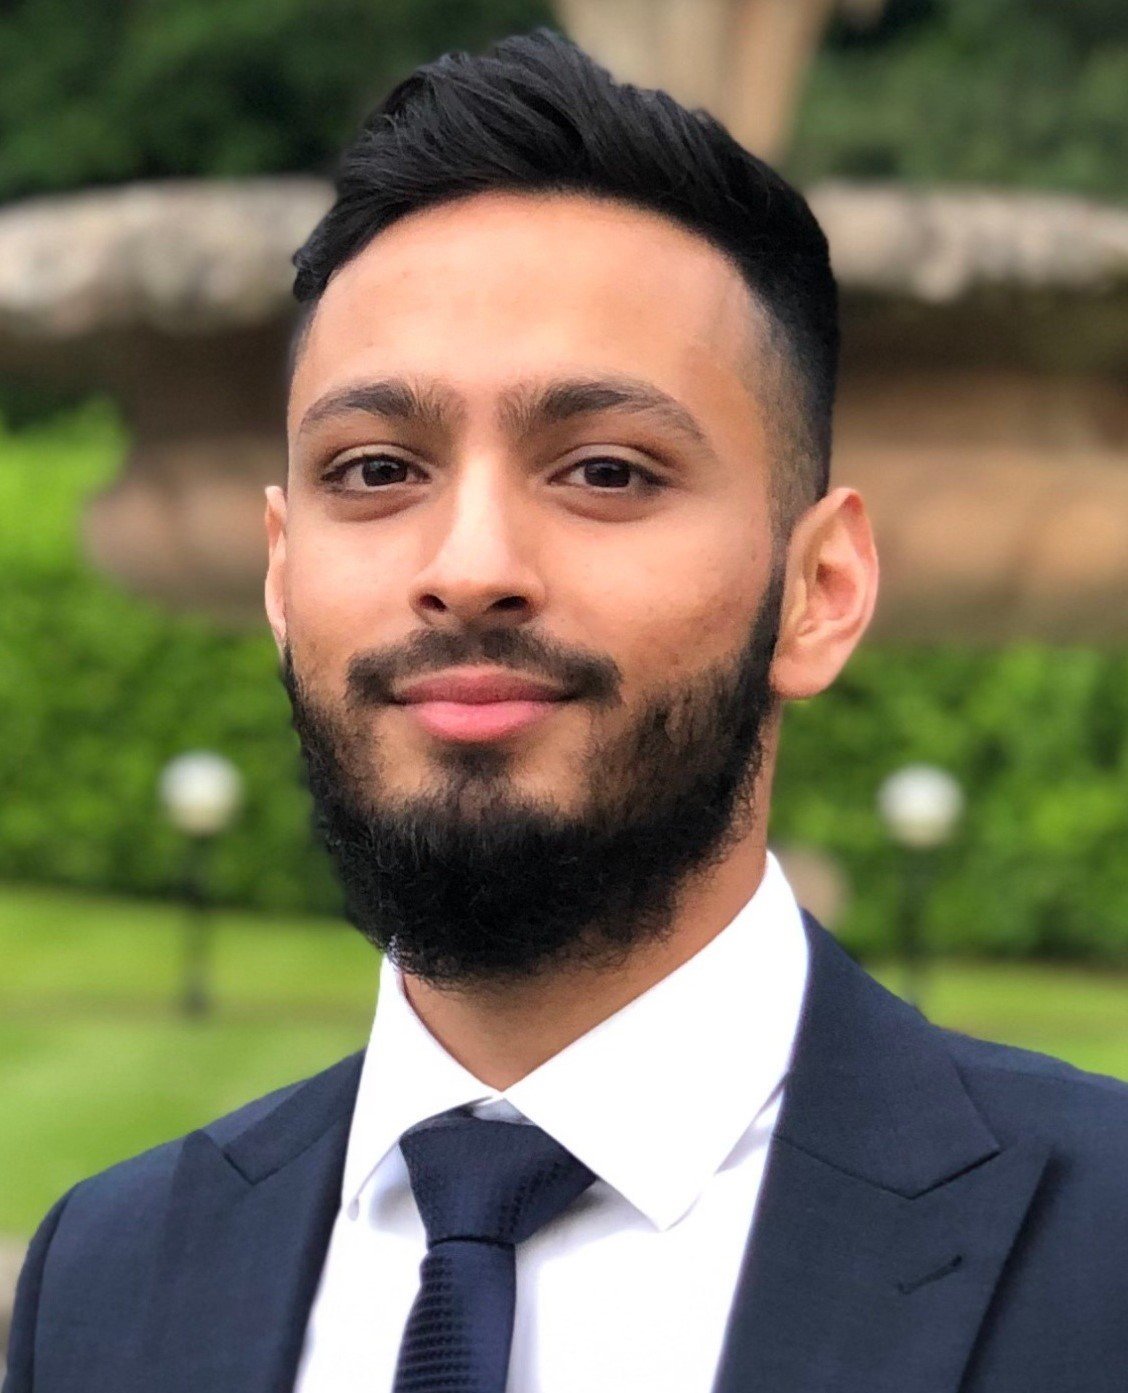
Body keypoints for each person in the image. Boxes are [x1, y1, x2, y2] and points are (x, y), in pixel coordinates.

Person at [5, 27, 1127, 1393]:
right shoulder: (105, 1281)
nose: (470, 565)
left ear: (821, 591)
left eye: (605, 469)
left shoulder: (1104, 1252)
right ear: (282, 577)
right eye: (376, 468)